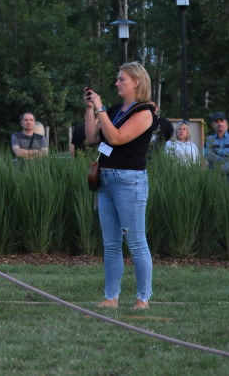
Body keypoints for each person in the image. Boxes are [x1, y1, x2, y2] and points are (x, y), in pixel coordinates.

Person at [84, 61, 157, 311]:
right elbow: (93, 138)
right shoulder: (114, 110)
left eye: (121, 79)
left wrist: (100, 107)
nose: (117, 83)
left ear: (136, 82)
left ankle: (142, 299)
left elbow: (116, 138)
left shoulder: (145, 112)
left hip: (130, 181)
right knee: (111, 243)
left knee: (136, 242)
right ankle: (111, 297)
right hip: (105, 179)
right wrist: (91, 109)